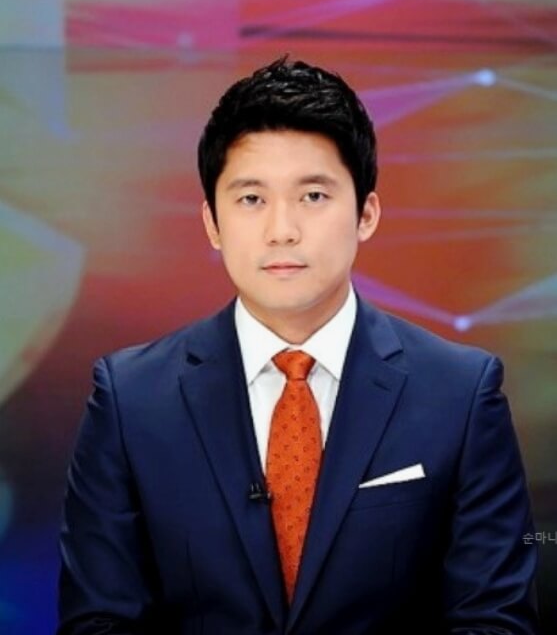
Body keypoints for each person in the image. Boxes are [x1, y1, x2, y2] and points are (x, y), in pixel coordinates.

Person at [57, 56, 539, 634]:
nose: (281, 230)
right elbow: (99, 621)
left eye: (312, 196)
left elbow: (494, 621)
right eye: (251, 199)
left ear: (366, 213)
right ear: (211, 223)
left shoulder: (462, 395)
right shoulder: (130, 401)